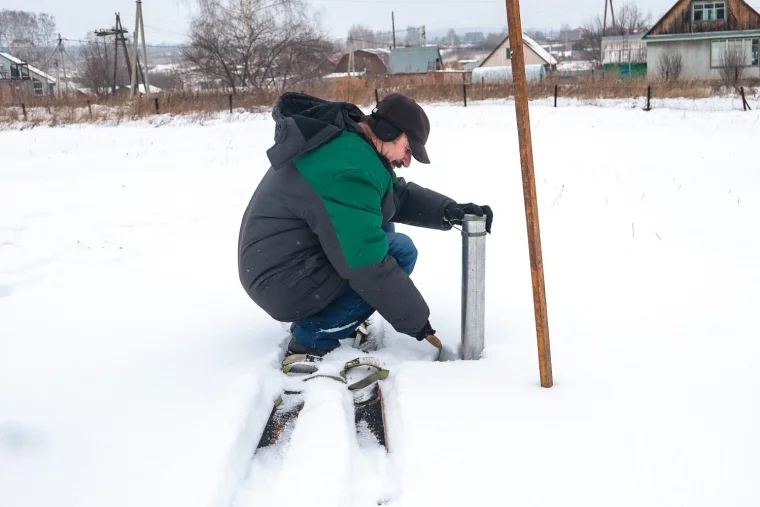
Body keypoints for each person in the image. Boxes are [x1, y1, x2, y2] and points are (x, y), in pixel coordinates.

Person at [237, 92, 493, 358]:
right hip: (282, 281)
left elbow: (393, 196)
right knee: (399, 251)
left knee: (382, 224)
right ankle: (314, 335)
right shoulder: (350, 168)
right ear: (387, 130)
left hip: (282, 266)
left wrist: (447, 210)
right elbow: (367, 265)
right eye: (408, 149)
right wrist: (416, 320)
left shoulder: (349, 144)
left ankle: (333, 315)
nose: (407, 161)